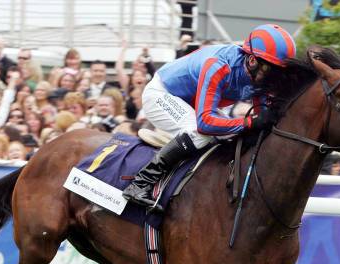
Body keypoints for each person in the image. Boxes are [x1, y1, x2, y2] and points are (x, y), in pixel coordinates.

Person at [122, 23, 294, 210]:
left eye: (280, 70)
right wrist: (249, 121)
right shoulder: (219, 66)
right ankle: (140, 183)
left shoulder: (261, 72)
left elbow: (263, 119)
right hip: (162, 94)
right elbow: (205, 123)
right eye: (272, 69)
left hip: (191, 101)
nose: (275, 77)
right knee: (199, 132)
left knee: (231, 133)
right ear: (252, 60)